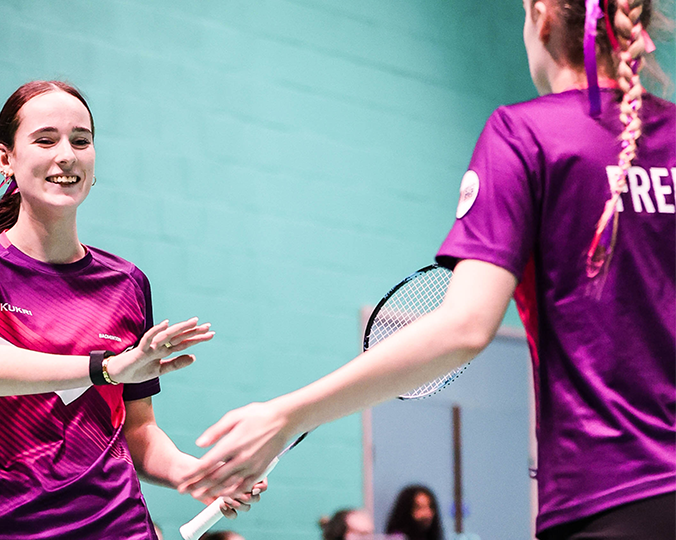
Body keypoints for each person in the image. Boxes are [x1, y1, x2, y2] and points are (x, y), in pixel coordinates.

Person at [178, 1, 674, 539]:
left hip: (609, 497)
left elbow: (463, 327)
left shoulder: (525, 135)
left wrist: (287, 415)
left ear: (542, 15)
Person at [0, 81, 263, 539]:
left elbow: (137, 432)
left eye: (81, 141)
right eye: (45, 140)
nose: (67, 155)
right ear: (6, 159)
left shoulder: (127, 283)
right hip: (4, 526)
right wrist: (110, 369)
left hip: (120, 526)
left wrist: (193, 474)